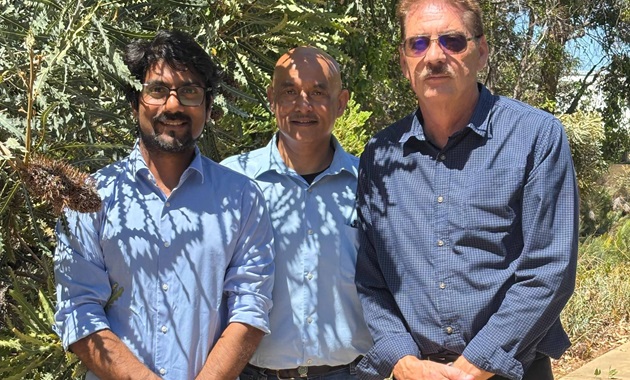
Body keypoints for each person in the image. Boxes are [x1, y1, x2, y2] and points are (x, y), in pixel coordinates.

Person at [354, 0, 579, 379]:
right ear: (404, 61)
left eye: (453, 41)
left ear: (483, 51)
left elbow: (548, 268)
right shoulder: (380, 156)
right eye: (419, 43)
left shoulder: (535, 136)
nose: (435, 56)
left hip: (510, 370)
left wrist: (476, 366)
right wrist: (403, 360)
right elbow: (370, 277)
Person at [53, 29, 275, 380]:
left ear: (208, 106)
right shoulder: (89, 197)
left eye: (189, 92)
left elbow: (250, 310)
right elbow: (77, 309)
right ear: (134, 102)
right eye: (157, 90)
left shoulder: (242, 198)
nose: (173, 105)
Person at [221, 46, 373, 380]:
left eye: (318, 92)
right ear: (272, 98)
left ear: (342, 102)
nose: (303, 105)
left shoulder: (371, 185)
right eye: (290, 92)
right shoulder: (232, 181)